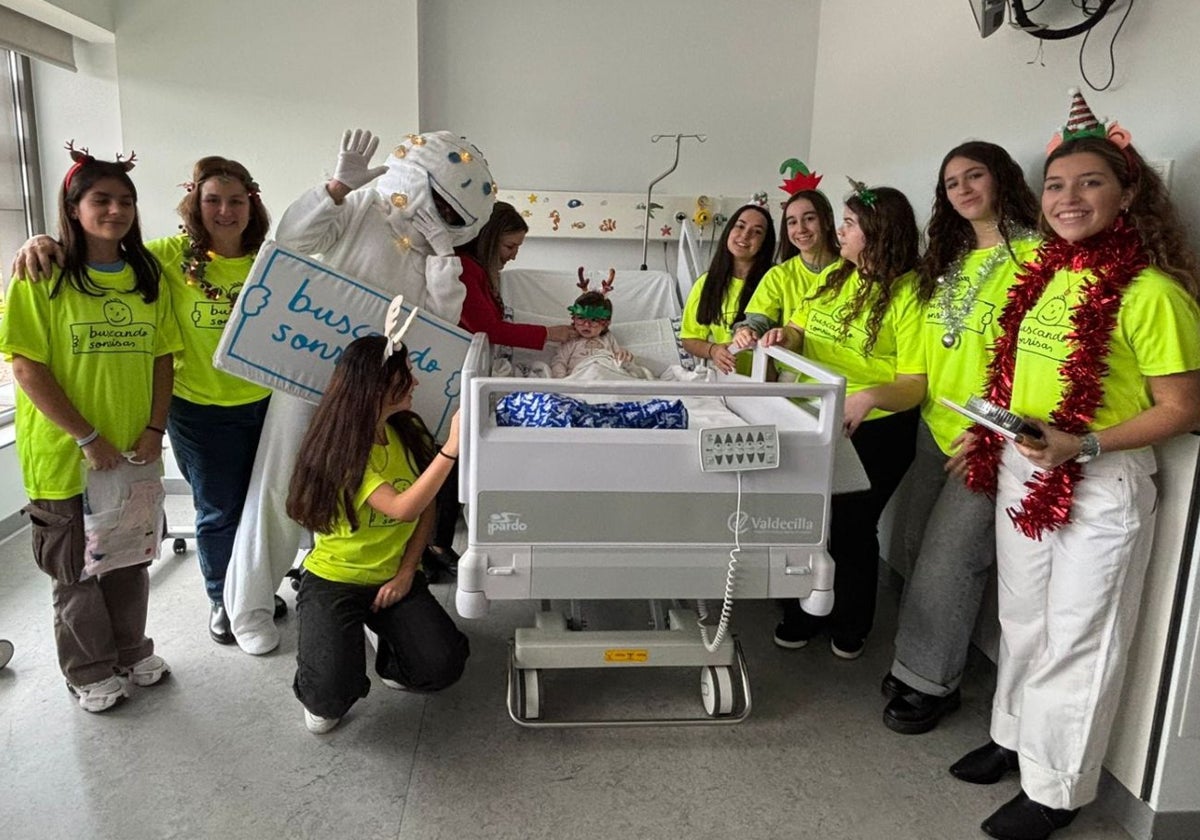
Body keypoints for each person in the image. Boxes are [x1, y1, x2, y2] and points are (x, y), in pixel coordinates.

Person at [951, 98, 1200, 840]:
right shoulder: (1044, 276)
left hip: (1100, 481)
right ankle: (1014, 738)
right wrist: (990, 433)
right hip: (1024, 469)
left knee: (1079, 636)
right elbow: (1022, 380)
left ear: (1126, 194)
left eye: (1089, 184)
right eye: (1056, 186)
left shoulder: (1154, 292)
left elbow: (1182, 406)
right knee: (1022, 620)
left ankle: (1057, 790)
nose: (1068, 199)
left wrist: (1082, 446)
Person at [224, 128, 495, 655]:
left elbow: (441, 321)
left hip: (381, 398)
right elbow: (292, 243)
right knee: (279, 489)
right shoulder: (364, 207)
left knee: (363, 506)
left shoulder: (436, 253)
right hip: (309, 375)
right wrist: (334, 189)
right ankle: (249, 607)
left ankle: (357, 601)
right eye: (439, 202)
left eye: (453, 215)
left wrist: (442, 257)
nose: (440, 215)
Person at [9, 157, 275, 647]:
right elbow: (97, 252)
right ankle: (223, 598)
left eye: (236, 200)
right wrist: (40, 240)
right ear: (194, 203)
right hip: (201, 409)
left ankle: (255, 590)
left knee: (265, 506)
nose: (225, 211)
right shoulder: (165, 259)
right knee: (220, 509)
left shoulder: (271, 258)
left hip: (267, 404)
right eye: (212, 199)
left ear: (252, 204)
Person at [0, 147, 182, 711]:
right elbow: (26, 367)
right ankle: (88, 669)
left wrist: (155, 428)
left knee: (129, 558)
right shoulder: (43, 274)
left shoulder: (145, 276)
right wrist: (85, 437)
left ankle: (131, 650)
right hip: (66, 459)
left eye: (126, 200)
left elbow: (161, 358)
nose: (116, 210)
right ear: (73, 208)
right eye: (101, 200)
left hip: (132, 453)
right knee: (74, 570)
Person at [880, 141, 1040, 735]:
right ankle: (917, 660)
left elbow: (1038, 357)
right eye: (952, 183)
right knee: (919, 546)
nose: (964, 189)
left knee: (953, 560)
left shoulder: (1037, 257)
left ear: (1003, 180)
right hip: (934, 424)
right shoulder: (945, 261)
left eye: (975, 176)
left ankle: (930, 683)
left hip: (988, 435)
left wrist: (996, 428)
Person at [760, 182, 927, 659]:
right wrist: (783, 337)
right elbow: (800, 328)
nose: (840, 231)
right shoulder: (837, 277)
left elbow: (915, 382)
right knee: (805, 522)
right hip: (814, 416)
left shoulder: (909, 294)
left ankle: (850, 622)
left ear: (876, 232)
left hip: (874, 426)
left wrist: (871, 397)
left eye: (849, 224)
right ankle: (801, 613)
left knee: (853, 527)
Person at [286, 334, 470, 735]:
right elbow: (402, 507)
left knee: (442, 667)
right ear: (379, 385)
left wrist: (407, 572)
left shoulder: (407, 431)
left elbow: (426, 508)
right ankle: (327, 659)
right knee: (327, 705)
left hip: (392, 578)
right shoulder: (344, 449)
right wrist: (451, 449)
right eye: (407, 375)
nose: (416, 383)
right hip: (334, 580)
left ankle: (382, 640)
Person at [422, 201, 574, 580]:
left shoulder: (481, 273)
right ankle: (435, 546)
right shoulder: (466, 270)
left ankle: (437, 544)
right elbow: (485, 327)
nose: (512, 256)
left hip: (470, 370)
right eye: (509, 248)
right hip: (452, 372)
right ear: (489, 240)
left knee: (450, 461)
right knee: (446, 460)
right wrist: (548, 334)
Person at [732, 187, 841, 351]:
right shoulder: (779, 275)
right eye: (792, 222)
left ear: (828, 220)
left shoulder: (852, 269)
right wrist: (746, 331)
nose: (801, 229)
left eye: (809, 218)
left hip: (845, 366)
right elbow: (757, 322)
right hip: (793, 370)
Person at [678, 203, 775, 374]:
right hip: (725, 378)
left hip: (763, 380)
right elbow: (689, 339)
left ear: (765, 243)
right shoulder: (707, 284)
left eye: (757, 232)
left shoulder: (773, 282)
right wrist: (713, 350)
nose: (745, 235)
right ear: (729, 230)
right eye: (740, 226)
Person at [551, 284, 634, 377]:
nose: (586, 325)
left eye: (594, 320)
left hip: (604, 373)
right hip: (579, 377)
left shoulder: (608, 337)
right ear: (573, 318)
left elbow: (618, 356)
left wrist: (623, 356)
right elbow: (559, 361)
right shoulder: (571, 339)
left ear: (605, 324)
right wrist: (561, 382)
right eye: (581, 318)